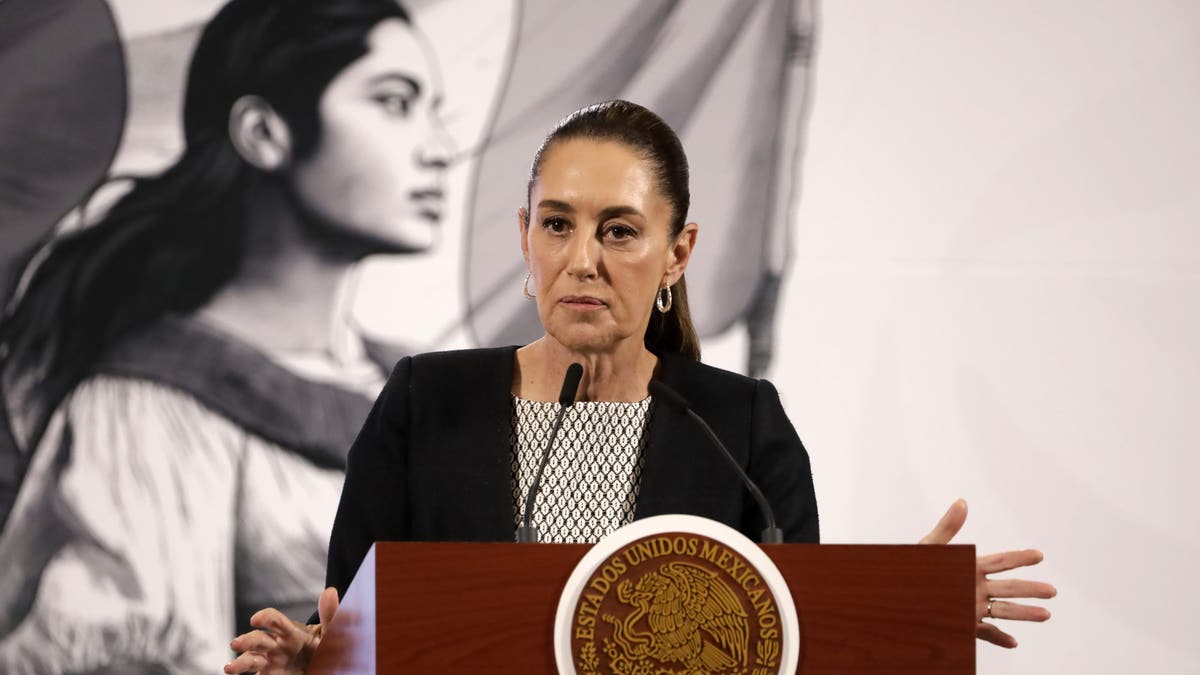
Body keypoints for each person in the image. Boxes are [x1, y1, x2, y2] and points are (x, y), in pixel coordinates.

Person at [225, 100, 1055, 674]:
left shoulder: (739, 425)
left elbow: (786, 641)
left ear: (678, 252)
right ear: (525, 237)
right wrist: (312, 659)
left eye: (619, 230)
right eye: (558, 224)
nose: (581, 258)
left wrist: (889, 607)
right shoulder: (422, 403)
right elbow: (348, 620)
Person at [0, 0, 451, 671]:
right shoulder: (147, 411)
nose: (440, 147)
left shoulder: (426, 390)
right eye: (394, 102)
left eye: (436, 109)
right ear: (265, 132)